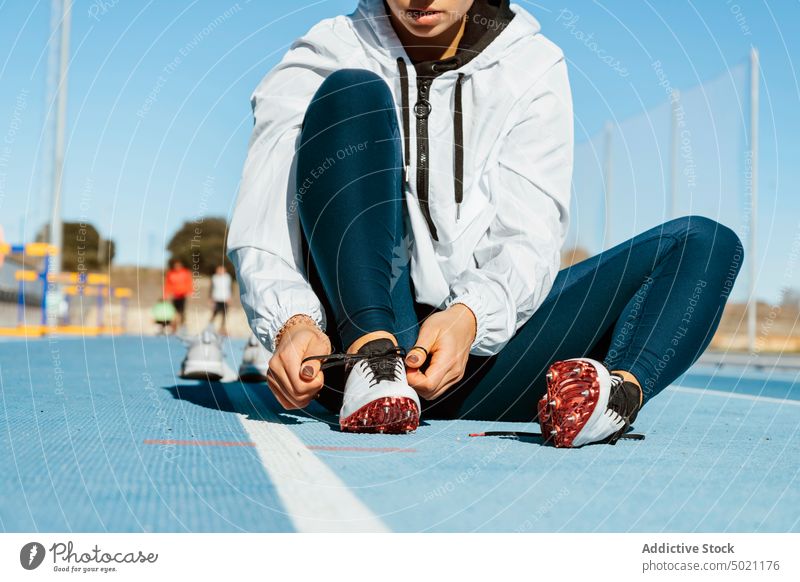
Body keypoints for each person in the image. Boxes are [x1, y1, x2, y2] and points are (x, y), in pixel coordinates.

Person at [227, 0, 743, 446]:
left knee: (705, 244)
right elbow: (263, 219)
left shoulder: (531, 65)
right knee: (351, 93)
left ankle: (605, 401)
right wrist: (292, 322)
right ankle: (374, 361)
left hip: (478, 354)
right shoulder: (324, 52)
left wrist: (470, 316)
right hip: (347, 347)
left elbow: (529, 237)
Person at [163, 259, 193, 333]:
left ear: (181, 266)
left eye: (178, 266)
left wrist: (190, 291)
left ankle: (183, 326)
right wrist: (166, 294)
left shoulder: (186, 272)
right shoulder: (170, 273)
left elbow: (189, 282)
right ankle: (174, 328)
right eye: (175, 266)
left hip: (182, 295)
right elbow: (167, 284)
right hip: (174, 295)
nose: (177, 267)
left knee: (182, 311)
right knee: (174, 312)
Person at [209, 265, 233, 335]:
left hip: (225, 299)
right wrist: (210, 298)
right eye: (218, 270)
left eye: (221, 270)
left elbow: (230, 288)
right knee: (214, 313)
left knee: (224, 315)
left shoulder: (228, 277)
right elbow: (211, 288)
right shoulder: (214, 277)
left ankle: (222, 329)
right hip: (216, 298)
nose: (219, 271)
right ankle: (209, 327)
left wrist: (230, 298)